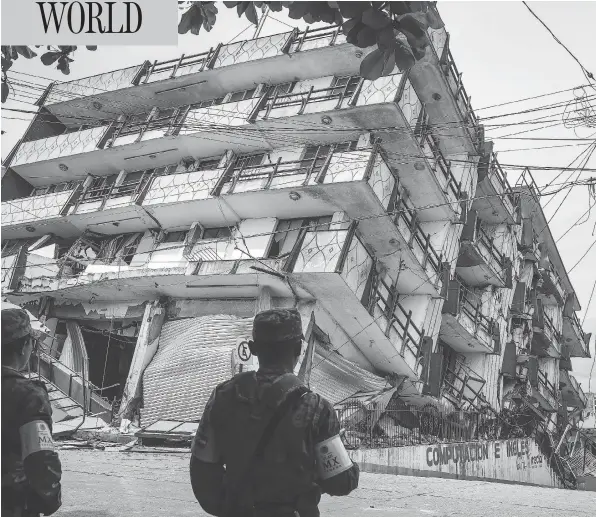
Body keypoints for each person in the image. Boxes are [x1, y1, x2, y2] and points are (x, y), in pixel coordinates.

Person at [190, 308, 359, 517]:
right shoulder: (317, 408)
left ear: (253, 348)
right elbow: (341, 482)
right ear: (298, 347)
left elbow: (202, 474)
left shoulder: (223, 396)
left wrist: (233, 508)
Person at [1, 308, 62, 517]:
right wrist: (48, 499)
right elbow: (40, 457)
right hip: (12, 504)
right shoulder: (28, 396)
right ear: (24, 347)